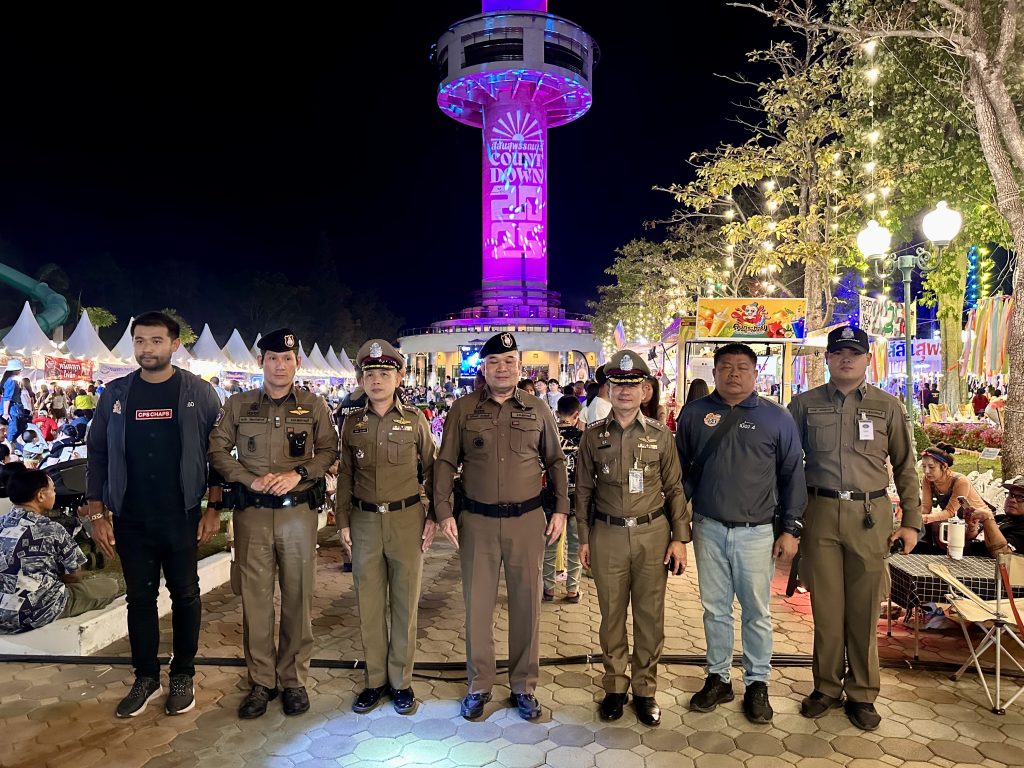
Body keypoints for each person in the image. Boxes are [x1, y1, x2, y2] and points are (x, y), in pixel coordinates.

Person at [86, 311, 224, 718]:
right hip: (131, 517)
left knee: (185, 595)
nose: (147, 349)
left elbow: (218, 454)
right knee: (140, 599)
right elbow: (97, 452)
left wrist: (214, 507)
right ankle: (146, 677)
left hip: (181, 515)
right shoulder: (115, 394)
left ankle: (183, 675)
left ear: (174, 344)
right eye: (140, 341)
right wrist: (97, 511)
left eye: (156, 341)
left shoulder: (199, 393)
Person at [788, 325, 920, 731]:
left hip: (869, 516)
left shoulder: (887, 406)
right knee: (827, 610)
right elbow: (787, 466)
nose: (846, 359)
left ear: (867, 359)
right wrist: (788, 524)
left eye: (854, 353)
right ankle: (826, 687)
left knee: (864, 611)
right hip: (820, 513)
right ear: (827, 358)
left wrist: (911, 522)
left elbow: (905, 466)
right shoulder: (804, 405)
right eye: (839, 353)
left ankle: (862, 693)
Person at [433, 332, 569, 721]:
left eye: (509, 361)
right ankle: (479, 685)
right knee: (478, 607)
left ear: (519, 366)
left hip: (527, 521)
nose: (502, 368)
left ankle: (523, 686)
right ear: (484, 368)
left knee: (527, 605)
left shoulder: (538, 409)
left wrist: (561, 509)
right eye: (494, 362)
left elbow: (556, 461)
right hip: (477, 522)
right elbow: (445, 462)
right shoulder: (463, 409)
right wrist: (443, 510)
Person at [208, 328, 338, 720]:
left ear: (297, 363)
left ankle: (293, 680)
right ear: (260, 362)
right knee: (256, 600)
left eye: (287, 359)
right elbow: (217, 448)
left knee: (298, 597)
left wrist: (300, 473)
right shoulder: (238, 404)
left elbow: (329, 449)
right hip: (253, 515)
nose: (280, 366)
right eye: (272, 358)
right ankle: (262, 681)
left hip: (298, 514)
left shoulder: (314, 405)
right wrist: (247, 479)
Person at [676, 343, 805, 725]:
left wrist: (791, 529)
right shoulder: (694, 414)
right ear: (714, 372)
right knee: (715, 610)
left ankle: (757, 683)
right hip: (708, 527)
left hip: (757, 532)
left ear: (755, 373)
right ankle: (718, 677)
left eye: (742, 367)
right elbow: (678, 474)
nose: (734, 373)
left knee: (756, 612)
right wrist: (676, 528)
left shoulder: (776, 417)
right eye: (726, 367)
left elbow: (792, 475)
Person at [575, 350, 688, 726]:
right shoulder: (593, 436)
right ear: (608, 389)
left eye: (633, 384)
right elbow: (583, 491)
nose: (625, 391)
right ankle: (614, 687)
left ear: (645, 390)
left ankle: (644, 689)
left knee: (649, 616)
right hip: (606, 534)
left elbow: (675, 488)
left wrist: (679, 539)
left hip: (652, 534)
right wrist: (584, 538)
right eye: (618, 384)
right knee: (611, 615)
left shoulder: (660, 435)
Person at [336, 340, 436, 716]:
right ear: (361, 379)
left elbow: (432, 469)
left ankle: (401, 682)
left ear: (398, 378)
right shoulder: (352, 423)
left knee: (405, 603)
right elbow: (346, 476)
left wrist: (434, 515)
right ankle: (375, 680)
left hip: (406, 520)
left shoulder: (415, 420)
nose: (376, 380)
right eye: (370, 374)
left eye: (384, 373)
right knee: (369, 603)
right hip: (364, 521)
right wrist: (342, 521)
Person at [0, 466, 119, 634]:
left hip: (2, 614)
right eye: (53, 490)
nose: (55, 494)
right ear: (41, 496)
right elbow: (73, 576)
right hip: (35, 613)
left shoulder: (1, 523)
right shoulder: (53, 529)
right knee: (111, 585)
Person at [543, 395, 584, 603]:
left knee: (550, 543)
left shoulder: (549, 437)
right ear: (577, 415)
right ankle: (572, 590)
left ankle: (548, 588)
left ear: (557, 413)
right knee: (575, 546)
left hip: (552, 498)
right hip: (577, 499)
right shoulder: (583, 438)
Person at [918, 443, 988, 553]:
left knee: (936, 525)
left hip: (977, 523)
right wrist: (913, 516)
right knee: (919, 527)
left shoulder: (960, 481)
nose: (926, 471)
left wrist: (926, 518)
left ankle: (940, 555)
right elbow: (926, 508)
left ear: (944, 466)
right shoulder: (927, 479)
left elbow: (950, 512)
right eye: (923, 466)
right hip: (955, 520)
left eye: (931, 467)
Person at [963, 475, 1024, 556]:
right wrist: (972, 528)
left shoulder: (1021, 528)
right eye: (1011, 495)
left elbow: (1002, 553)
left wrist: (988, 519)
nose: (1012, 500)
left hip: (981, 563)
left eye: (1021, 497)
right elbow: (976, 540)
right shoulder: (1000, 518)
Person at [1, 360, 30, 447]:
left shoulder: (12, 380)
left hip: (15, 408)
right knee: (13, 429)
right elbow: (7, 398)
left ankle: (11, 444)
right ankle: (8, 446)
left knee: (21, 426)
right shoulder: (11, 381)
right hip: (11, 409)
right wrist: (5, 413)